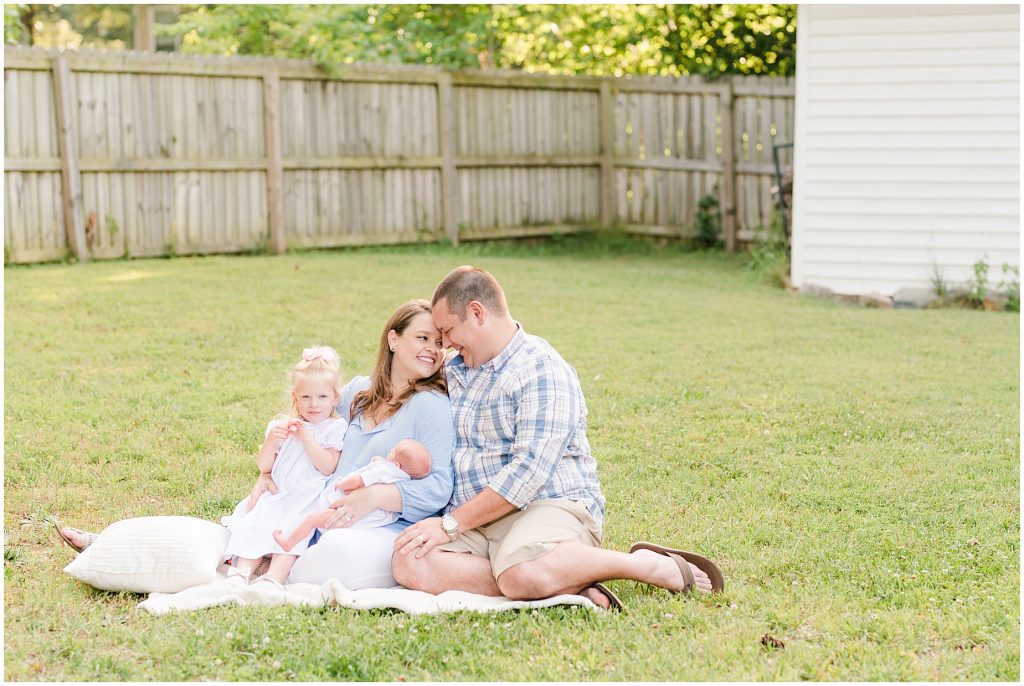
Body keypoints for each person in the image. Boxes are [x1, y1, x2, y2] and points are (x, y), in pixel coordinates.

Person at [57, 300, 456, 591]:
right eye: (423, 337)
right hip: (311, 502)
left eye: (439, 342)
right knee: (247, 522)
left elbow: (439, 488)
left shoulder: (430, 406)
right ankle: (111, 545)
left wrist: (374, 497)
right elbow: (303, 419)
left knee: (329, 557)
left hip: (377, 524)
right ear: (393, 339)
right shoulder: (358, 392)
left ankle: (259, 571)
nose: (433, 349)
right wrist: (267, 472)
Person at [392, 266, 724, 610]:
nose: (443, 343)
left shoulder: (541, 369)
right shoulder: (458, 367)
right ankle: (563, 580)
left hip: (545, 506)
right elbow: (400, 387)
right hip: (478, 518)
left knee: (519, 572)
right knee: (409, 560)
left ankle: (650, 566)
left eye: (447, 330)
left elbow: (528, 474)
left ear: (477, 313)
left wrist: (451, 524)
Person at [219, 346, 347, 586]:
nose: (313, 404)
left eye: (322, 397)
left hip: (305, 499)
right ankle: (240, 574)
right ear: (295, 398)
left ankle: (273, 578)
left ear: (335, 398)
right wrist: (270, 442)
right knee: (256, 525)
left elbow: (327, 466)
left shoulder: (334, 428)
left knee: (290, 535)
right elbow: (264, 466)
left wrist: (307, 438)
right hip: (277, 494)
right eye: (306, 397)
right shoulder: (282, 426)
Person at [272, 439, 432, 552]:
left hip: (348, 512)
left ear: (396, 465)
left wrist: (342, 484)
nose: (389, 452)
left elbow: (360, 480)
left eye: (392, 452)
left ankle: (288, 543)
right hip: (371, 520)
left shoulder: (385, 470)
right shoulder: (400, 477)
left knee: (311, 519)